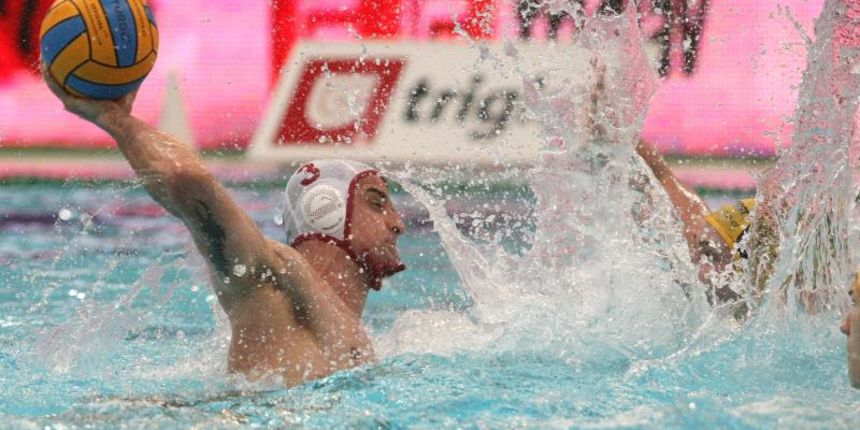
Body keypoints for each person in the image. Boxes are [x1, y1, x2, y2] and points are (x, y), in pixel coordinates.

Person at [41, 65, 407, 386]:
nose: (398, 223)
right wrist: (112, 117)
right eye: (378, 203)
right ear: (326, 210)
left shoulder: (358, 331)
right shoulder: (271, 279)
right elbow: (188, 182)